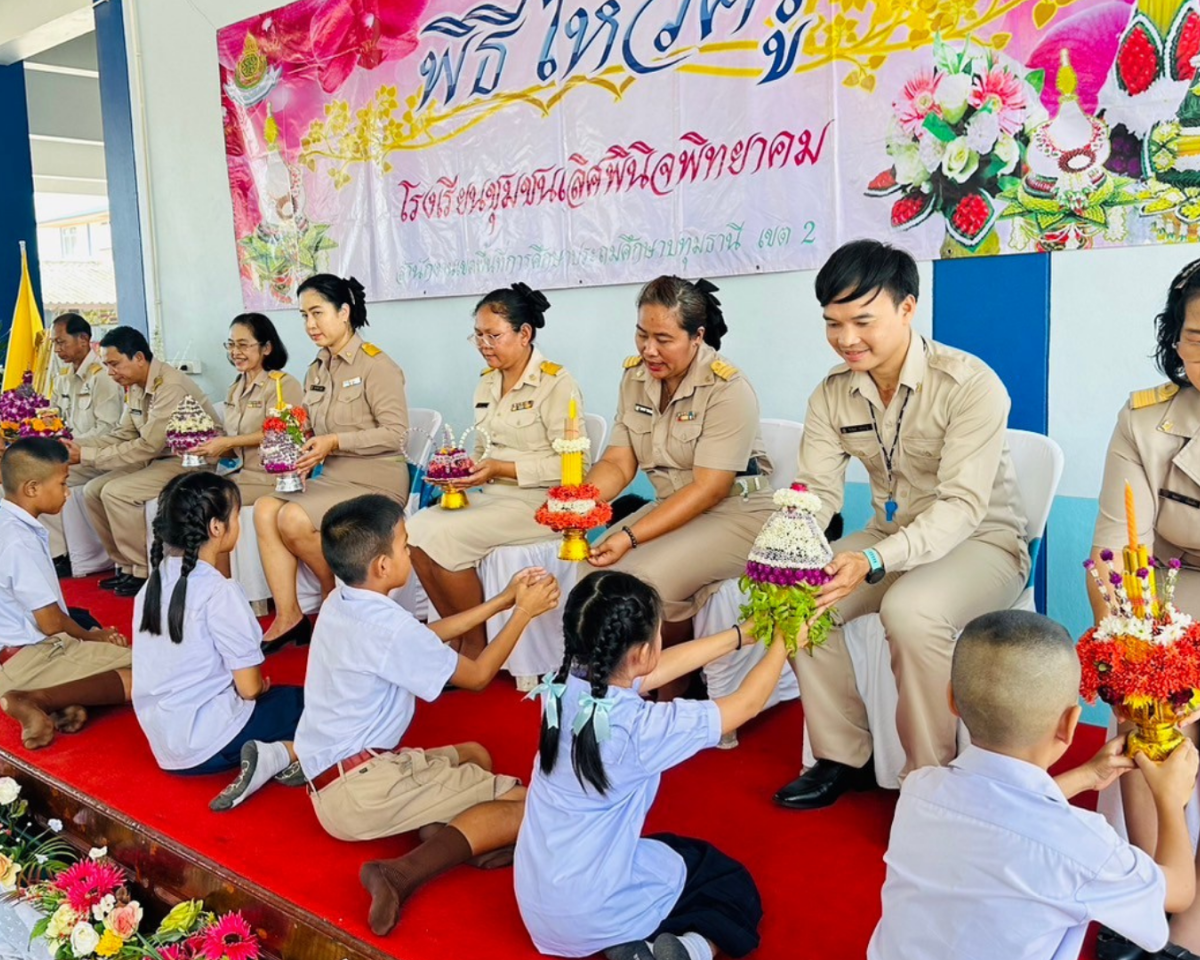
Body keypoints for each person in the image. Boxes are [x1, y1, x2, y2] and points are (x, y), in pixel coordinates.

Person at [776, 239, 1029, 811]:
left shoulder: (969, 384)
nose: (846, 339)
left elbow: (963, 507)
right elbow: (817, 492)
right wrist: (792, 541)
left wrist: (869, 560)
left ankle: (931, 780)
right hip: (890, 538)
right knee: (793, 597)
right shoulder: (831, 394)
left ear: (908, 308)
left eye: (862, 320)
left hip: (983, 542)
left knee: (910, 611)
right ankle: (843, 755)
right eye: (833, 323)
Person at [292, 494, 559, 936]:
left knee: (476, 755)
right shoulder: (386, 626)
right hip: (365, 788)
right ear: (381, 566)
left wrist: (502, 601)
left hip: (333, 781)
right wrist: (525, 614)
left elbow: (420, 638)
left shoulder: (344, 600)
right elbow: (475, 677)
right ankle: (400, 874)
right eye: (404, 544)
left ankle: (447, 830)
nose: (410, 552)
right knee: (529, 805)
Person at [868, 610, 1194, 960]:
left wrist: (1084, 777)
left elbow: (1003, 816)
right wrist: (1169, 800)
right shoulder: (1084, 845)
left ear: (952, 700)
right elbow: (1178, 890)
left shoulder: (919, 789)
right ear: (1070, 724)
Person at [515, 570, 787, 960]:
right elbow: (746, 705)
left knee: (669, 851)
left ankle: (631, 945)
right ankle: (691, 949)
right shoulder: (640, 730)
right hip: (591, 911)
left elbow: (652, 671)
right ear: (642, 652)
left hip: (539, 903)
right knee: (727, 881)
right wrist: (783, 640)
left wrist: (744, 633)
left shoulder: (558, 688)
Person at [583, 276, 774, 696]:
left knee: (647, 580)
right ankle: (625, 682)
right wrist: (581, 503)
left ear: (697, 337)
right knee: (590, 571)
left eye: (663, 339)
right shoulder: (635, 379)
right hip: (674, 505)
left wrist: (630, 536)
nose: (648, 349)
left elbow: (709, 489)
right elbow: (619, 460)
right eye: (641, 334)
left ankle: (674, 688)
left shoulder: (727, 388)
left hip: (737, 515)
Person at [1091, 257, 1200, 960]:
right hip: (1173, 590)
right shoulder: (1147, 419)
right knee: (1145, 698)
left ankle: (1186, 935)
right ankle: (1146, 895)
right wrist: (1141, 642)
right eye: (1198, 334)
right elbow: (1112, 552)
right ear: (1176, 340)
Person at [409, 283, 584, 659]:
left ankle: (475, 644)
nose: (484, 344)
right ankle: (458, 629)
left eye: (493, 335)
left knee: (447, 538)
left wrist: (498, 469)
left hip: (539, 502)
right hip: (489, 495)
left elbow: (572, 465)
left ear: (524, 334)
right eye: (478, 336)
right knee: (414, 531)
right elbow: (482, 448)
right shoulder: (487, 382)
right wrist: (461, 472)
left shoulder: (557, 383)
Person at [132, 472, 303, 811]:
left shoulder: (150, 587)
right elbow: (250, 689)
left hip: (167, 745)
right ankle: (282, 754)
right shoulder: (218, 592)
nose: (239, 524)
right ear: (216, 527)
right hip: (214, 741)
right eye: (237, 516)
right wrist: (256, 687)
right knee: (317, 704)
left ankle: (277, 752)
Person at [254, 275, 409, 650]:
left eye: (317, 313)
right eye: (304, 315)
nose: (310, 325)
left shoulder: (377, 365)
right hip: (334, 477)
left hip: (377, 477)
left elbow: (396, 433)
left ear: (344, 312)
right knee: (263, 508)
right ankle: (289, 615)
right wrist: (291, 447)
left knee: (291, 517)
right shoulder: (317, 369)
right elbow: (311, 429)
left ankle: (333, 597)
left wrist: (335, 442)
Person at [67, 326, 221, 597]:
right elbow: (124, 433)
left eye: (115, 364)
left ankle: (143, 569)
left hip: (187, 461)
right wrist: (77, 447)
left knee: (117, 492)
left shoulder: (169, 385)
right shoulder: (136, 385)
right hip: (156, 458)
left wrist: (88, 456)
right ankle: (124, 566)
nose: (111, 372)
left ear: (139, 358)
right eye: (107, 365)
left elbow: (148, 445)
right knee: (93, 491)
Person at [0, 439, 131, 749]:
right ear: (32, 488)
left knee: (83, 619)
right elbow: (50, 624)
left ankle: (65, 701)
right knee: (156, 672)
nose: (67, 492)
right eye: (62, 483)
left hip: (11, 651)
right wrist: (93, 638)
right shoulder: (19, 540)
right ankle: (34, 698)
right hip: (29, 658)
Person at [188, 313, 303, 504]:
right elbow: (233, 448)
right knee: (185, 494)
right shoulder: (235, 388)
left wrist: (227, 442)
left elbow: (282, 434)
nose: (235, 352)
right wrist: (205, 445)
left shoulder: (283, 385)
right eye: (231, 345)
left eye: (243, 345)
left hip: (270, 478)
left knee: (207, 504)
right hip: (236, 474)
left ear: (266, 348)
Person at [41, 313, 124, 576]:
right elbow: (54, 417)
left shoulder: (103, 377)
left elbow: (109, 429)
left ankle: (61, 555)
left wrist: (70, 445)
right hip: (69, 453)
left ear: (84, 340)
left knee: (44, 477)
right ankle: (52, 550)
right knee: (29, 471)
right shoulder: (64, 376)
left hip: (95, 456)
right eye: (54, 343)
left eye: (61, 342)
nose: (57, 349)